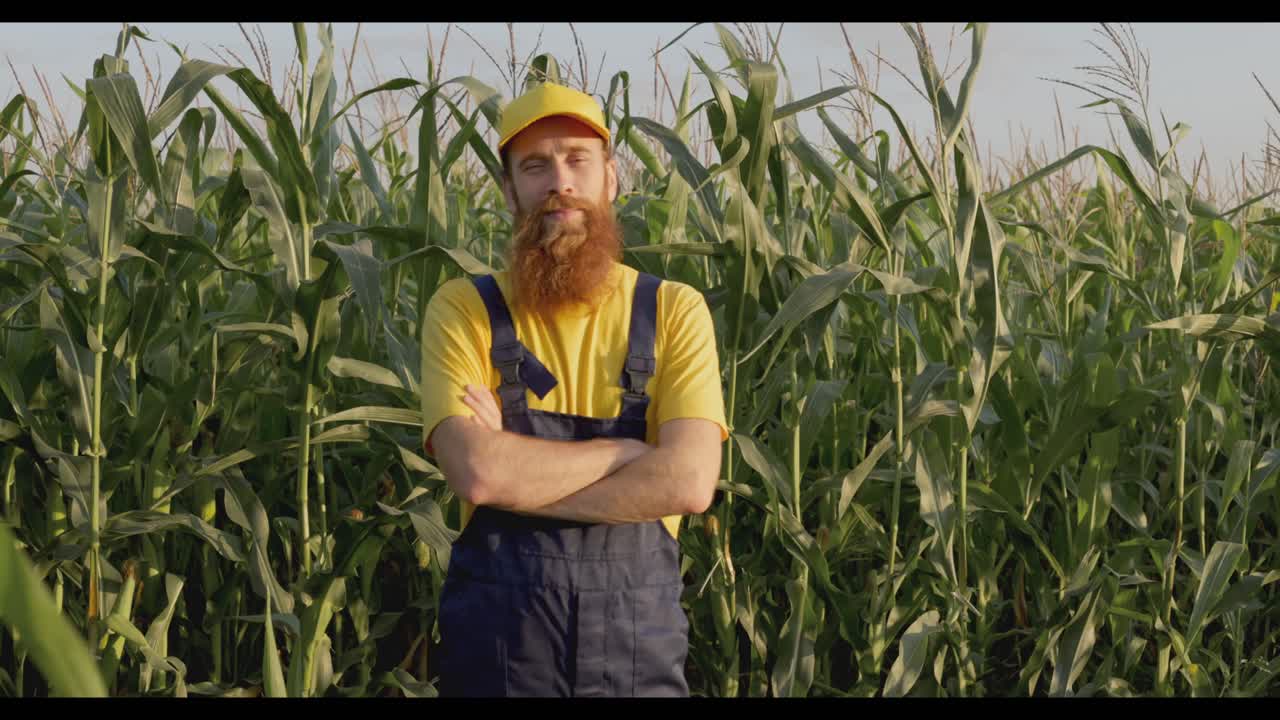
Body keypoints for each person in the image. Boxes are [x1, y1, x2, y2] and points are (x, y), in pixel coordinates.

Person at [418, 80, 728, 697]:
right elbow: (477, 473)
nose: (559, 181)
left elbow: (689, 483)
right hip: (498, 663)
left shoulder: (673, 311)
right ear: (509, 191)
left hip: (636, 660)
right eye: (535, 166)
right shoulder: (465, 310)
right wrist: (626, 455)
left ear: (611, 179)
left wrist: (518, 474)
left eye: (577, 160)